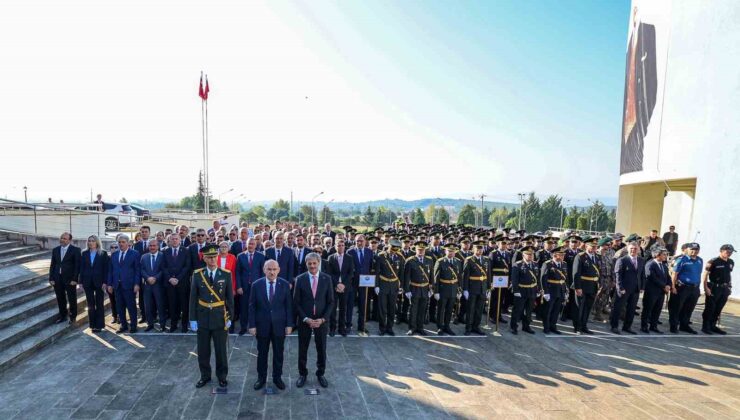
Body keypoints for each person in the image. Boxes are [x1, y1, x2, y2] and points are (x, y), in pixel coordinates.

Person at [189, 244, 234, 389]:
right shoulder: (197, 274)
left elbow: (229, 300)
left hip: (220, 317)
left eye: (215, 256)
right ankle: (205, 376)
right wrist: (193, 319)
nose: (213, 259)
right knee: (203, 350)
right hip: (202, 317)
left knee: (221, 350)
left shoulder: (226, 274)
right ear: (204, 258)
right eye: (209, 257)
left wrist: (230, 318)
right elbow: (193, 298)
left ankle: (222, 376)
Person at [249, 260, 293, 390]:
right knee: (262, 353)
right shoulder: (257, 285)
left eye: (274, 269)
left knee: (279, 353)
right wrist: (252, 325)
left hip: (279, 326)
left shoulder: (285, 284)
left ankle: (277, 378)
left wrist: (289, 324)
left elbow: (288, 306)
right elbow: (252, 307)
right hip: (262, 325)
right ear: (264, 270)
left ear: (279, 270)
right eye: (269, 269)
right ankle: (261, 378)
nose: (272, 272)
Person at [293, 253, 334, 389]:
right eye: (309, 263)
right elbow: (296, 302)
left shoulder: (326, 279)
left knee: (321, 348)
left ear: (318, 263)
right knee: (302, 348)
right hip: (305, 320)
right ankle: (302, 374)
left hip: (321, 321)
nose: (312, 266)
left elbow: (331, 302)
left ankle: (320, 373)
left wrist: (322, 319)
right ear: (306, 264)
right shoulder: (300, 279)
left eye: (314, 263)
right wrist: (305, 318)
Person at [106, 234, 141, 333]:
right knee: (119, 307)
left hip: (129, 285)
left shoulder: (135, 254)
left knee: (131, 306)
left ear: (128, 243)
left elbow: (137, 270)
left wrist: (137, 284)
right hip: (117, 285)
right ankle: (123, 325)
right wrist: (109, 284)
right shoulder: (114, 255)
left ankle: (133, 325)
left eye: (123, 242)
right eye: (119, 242)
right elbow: (111, 270)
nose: (121, 244)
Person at [610, 243, 645, 334]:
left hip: (635, 289)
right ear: (628, 249)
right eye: (631, 248)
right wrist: (620, 287)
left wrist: (641, 287)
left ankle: (627, 326)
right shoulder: (622, 260)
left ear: (638, 250)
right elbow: (618, 275)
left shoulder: (641, 260)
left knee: (631, 309)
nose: (633, 250)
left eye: (635, 248)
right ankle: (614, 326)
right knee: (618, 308)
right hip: (623, 289)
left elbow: (642, 275)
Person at [669, 243, 703, 334]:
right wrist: (673, 287)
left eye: (696, 250)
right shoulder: (681, 260)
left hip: (694, 288)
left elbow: (698, 274)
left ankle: (684, 325)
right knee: (677, 307)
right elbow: (674, 274)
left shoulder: (700, 260)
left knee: (689, 308)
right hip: (682, 287)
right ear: (687, 249)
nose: (694, 251)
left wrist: (698, 287)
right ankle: (674, 325)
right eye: (692, 249)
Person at [373, 239, 404, 336]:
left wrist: (401, 286)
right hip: (383, 284)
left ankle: (390, 327)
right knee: (382, 308)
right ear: (389, 247)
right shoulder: (381, 256)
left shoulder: (400, 257)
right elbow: (377, 272)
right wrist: (376, 285)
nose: (393, 252)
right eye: (392, 250)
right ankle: (382, 328)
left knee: (392, 308)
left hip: (394, 286)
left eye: (395, 251)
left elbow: (401, 274)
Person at [49, 232, 82, 325]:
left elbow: (77, 266)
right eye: (61, 238)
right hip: (57, 279)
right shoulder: (55, 250)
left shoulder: (75, 250)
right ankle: (63, 316)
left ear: (70, 240)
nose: (62, 240)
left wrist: (75, 279)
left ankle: (72, 316)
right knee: (60, 298)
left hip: (70, 280)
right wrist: (51, 278)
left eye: (65, 238)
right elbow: (52, 265)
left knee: (72, 299)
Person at [701, 244, 734, 335]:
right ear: (721, 251)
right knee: (710, 308)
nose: (729, 253)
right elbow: (705, 274)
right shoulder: (713, 261)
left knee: (718, 308)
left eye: (731, 252)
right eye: (727, 251)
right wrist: (706, 288)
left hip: (724, 289)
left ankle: (713, 325)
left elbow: (728, 274)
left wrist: (729, 286)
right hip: (714, 287)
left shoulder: (731, 262)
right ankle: (706, 326)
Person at [403, 241, 434, 336]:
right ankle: (412, 328)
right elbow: (406, 277)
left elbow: (431, 276)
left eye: (422, 250)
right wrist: (407, 290)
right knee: (413, 309)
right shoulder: (410, 261)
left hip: (425, 288)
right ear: (415, 250)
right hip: (414, 288)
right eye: (419, 250)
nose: (421, 251)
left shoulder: (429, 260)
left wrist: (431, 288)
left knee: (422, 309)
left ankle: (420, 327)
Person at [235, 238, 266, 335]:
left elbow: (263, 272)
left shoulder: (261, 256)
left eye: (253, 244)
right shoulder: (240, 256)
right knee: (244, 308)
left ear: (256, 245)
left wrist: (262, 286)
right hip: (244, 287)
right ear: (246, 245)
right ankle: (243, 328)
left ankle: (255, 327)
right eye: (249, 244)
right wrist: (239, 286)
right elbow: (237, 272)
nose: (251, 245)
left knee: (256, 308)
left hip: (257, 287)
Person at [79, 235, 109, 332]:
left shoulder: (103, 254)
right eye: (89, 241)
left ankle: (100, 325)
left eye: (93, 241)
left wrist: (105, 282)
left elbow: (106, 269)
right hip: (87, 282)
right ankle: (92, 324)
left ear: (97, 242)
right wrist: (80, 282)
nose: (91, 242)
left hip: (99, 282)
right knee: (90, 304)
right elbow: (81, 269)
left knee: (99, 303)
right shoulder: (84, 253)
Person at [327, 238, 355, 337]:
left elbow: (350, 273)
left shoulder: (349, 258)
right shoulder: (331, 257)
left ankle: (341, 328)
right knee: (333, 308)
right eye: (339, 245)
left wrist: (343, 285)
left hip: (345, 287)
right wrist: (336, 284)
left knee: (343, 308)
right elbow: (329, 273)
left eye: (342, 245)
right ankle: (332, 328)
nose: (341, 247)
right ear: (335, 246)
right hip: (334, 287)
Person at [163, 233, 191, 333]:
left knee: (184, 305)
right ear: (169, 240)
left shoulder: (186, 251)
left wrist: (178, 278)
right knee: (172, 305)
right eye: (172, 239)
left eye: (176, 239)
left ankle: (184, 325)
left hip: (182, 282)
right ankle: (173, 325)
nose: (174, 241)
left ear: (180, 240)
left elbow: (187, 266)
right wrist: (170, 278)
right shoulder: (165, 251)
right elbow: (164, 267)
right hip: (170, 283)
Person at [571, 237, 600, 334]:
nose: (594, 248)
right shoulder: (580, 256)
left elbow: (598, 272)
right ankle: (577, 327)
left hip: (592, 286)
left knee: (588, 307)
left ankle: (584, 326)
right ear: (586, 246)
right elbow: (576, 273)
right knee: (579, 307)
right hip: (582, 285)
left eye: (595, 246)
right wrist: (577, 287)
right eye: (592, 246)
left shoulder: (597, 257)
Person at [462, 240, 490, 335]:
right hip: (472, 288)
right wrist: (465, 289)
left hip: (482, 288)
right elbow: (465, 276)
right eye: (478, 249)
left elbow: (488, 275)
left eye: (481, 249)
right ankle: (468, 328)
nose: (480, 251)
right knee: (471, 309)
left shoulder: (486, 260)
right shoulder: (469, 260)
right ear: (473, 249)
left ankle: (476, 326)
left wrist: (488, 288)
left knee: (479, 309)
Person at [347, 234, 373, 335]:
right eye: (357, 241)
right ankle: (348, 325)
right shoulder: (350, 252)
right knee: (350, 305)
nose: (359, 243)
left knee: (363, 305)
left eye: (361, 241)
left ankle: (361, 326)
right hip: (352, 282)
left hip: (364, 283)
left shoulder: (369, 252)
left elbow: (370, 267)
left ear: (365, 241)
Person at [509, 246, 539, 335]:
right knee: (518, 310)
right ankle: (514, 326)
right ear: (523, 255)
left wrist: (538, 290)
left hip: (532, 290)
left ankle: (526, 326)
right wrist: (516, 291)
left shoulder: (535, 264)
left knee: (529, 310)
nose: (530, 256)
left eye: (532, 254)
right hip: (521, 290)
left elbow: (537, 278)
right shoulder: (517, 265)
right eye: (528, 254)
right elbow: (514, 280)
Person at [641, 246, 670, 333]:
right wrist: (664, 286)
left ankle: (653, 326)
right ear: (657, 255)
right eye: (664, 254)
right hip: (652, 291)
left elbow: (668, 276)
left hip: (661, 292)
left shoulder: (664, 265)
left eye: (666, 254)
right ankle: (644, 326)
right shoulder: (650, 264)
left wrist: (669, 285)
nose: (665, 256)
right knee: (648, 309)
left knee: (657, 309)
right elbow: (651, 277)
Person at [539, 246, 568, 334]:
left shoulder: (564, 264)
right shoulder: (547, 264)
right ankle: (546, 327)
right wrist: (545, 292)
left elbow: (566, 278)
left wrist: (566, 290)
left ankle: (553, 326)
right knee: (548, 310)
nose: (563, 256)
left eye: (563, 255)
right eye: (561, 255)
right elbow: (543, 279)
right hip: (551, 290)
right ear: (555, 255)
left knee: (556, 310)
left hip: (560, 289)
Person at [141, 239, 166, 332]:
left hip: (158, 285)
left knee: (160, 305)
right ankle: (150, 324)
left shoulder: (162, 256)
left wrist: (155, 278)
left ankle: (162, 324)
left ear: (158, 246)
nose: (152, 247)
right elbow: (142, 269)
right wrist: (147, 278)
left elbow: (163, 269)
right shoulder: (144, 257)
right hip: (147, 285)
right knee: (148, 306)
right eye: (150, 245)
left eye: (154, 245)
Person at [217, 241, 238, 333]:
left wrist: (233, 288)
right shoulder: (215, 257)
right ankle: (219, 325)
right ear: (219, 248)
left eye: (225, 246)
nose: (224, 248)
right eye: (222, 246)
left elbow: (234, 273)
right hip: (217, 286)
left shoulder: (232, 257)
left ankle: (231, 326)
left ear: (228, 248)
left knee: (230, 306)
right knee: (219, 306)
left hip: (229, 285)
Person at [133, 225, 152, 323]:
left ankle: (152, 316)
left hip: (151, 275)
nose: (144, 233)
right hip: (140, 274)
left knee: (152, 296)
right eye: (142, 232)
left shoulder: (153, 244)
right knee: (141, 297)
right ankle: (143, 315)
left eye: (146, 231)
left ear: (149, 233)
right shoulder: (136, 245)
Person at [107, 243, 120, 323]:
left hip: (119, 283)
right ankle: (114, 316)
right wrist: (108, 284)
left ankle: (120, 316)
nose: (114, 248)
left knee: (119, 301)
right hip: (110, 283)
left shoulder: (120, 257)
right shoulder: (107, 258)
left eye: (116, 247)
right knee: (112, 301)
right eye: (112, 247)